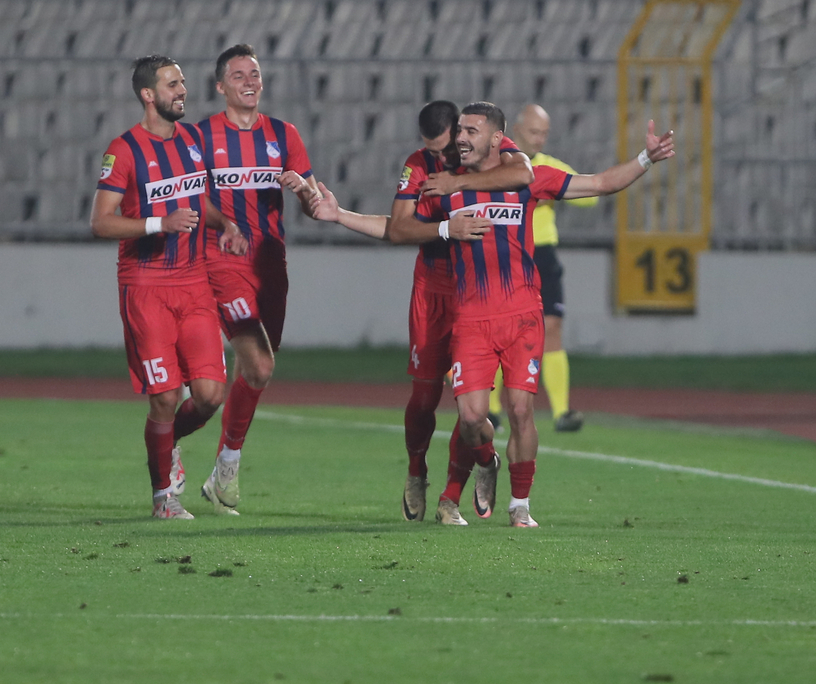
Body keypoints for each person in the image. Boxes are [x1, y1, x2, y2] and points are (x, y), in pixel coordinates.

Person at [416, 103, 674, 528]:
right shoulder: (449, 185)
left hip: (522, 317)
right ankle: (487, 460)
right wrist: (338, 215)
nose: (460, 138)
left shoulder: (526, 180)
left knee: (519, 411)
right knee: (470, 417)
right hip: (472, 320)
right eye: (460, 130)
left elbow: (601, 183)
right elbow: (400, 225)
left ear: (498, 139)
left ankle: (520, 505)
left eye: (471, 131)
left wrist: (646, 158)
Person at [286, 101, 533, 525]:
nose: (439, 158)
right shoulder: (418, 166)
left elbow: (523, 173)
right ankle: (418, 469)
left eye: (445, 149)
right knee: (423, 399)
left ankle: (453, 491)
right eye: (431, 150)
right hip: (434, 290)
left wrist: (455, 182)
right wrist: (340, 215)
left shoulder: (486, 154)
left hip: (479, 296)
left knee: (468, 404)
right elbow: (398, 228)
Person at [90, 54, 247, 520]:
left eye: (182, 83)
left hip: (194, 283)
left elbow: (196, 198)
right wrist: (160, 222)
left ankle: (167, 443)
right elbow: (101, 222)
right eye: (172, 84)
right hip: (146, 286)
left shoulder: (193, 140)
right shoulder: (123, 151)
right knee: (164, 397)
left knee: (211, 395)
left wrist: (225, 223)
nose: (182, 90)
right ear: (148, 95)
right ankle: (164, 497)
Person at [195, 44, 319, 516]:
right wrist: (224, 224)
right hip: (223, 261)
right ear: (221, 85)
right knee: (261, 365)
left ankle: (221, 469)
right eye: (239, 74)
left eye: (256, 74)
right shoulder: (201, 136)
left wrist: (303, 189)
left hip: (271, 264)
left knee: (255, 372)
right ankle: (222, 466)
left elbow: (313, 202)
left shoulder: (284, 135)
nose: (250, 81)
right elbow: (190, 198)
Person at [487, 104, 597, 433]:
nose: (539, 139)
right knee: (499, 333)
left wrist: (554, 195)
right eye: (534, 132)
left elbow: (590, 196)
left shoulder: (549, 168)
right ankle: (492, 409)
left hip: (543, 254)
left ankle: (562, 412)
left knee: (552, 328)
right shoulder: (496, 166)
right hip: (507, 255)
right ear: (516, 130)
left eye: (544, 133)